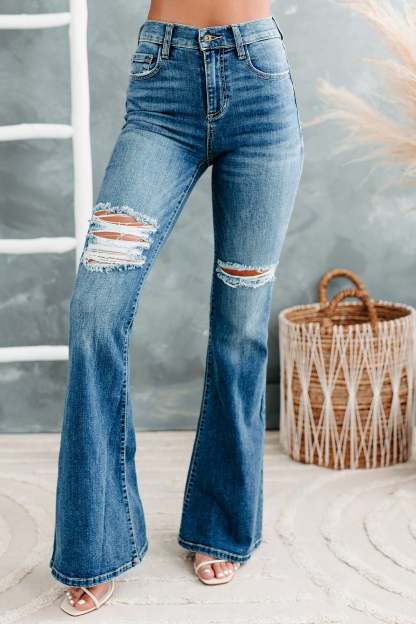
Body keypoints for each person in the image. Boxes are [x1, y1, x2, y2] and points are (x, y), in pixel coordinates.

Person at [50, 0, 304, 615]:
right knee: (95, 315)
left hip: (260, 83)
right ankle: (96, 544)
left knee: (240, 329)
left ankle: (220, 525)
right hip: (163, 86)